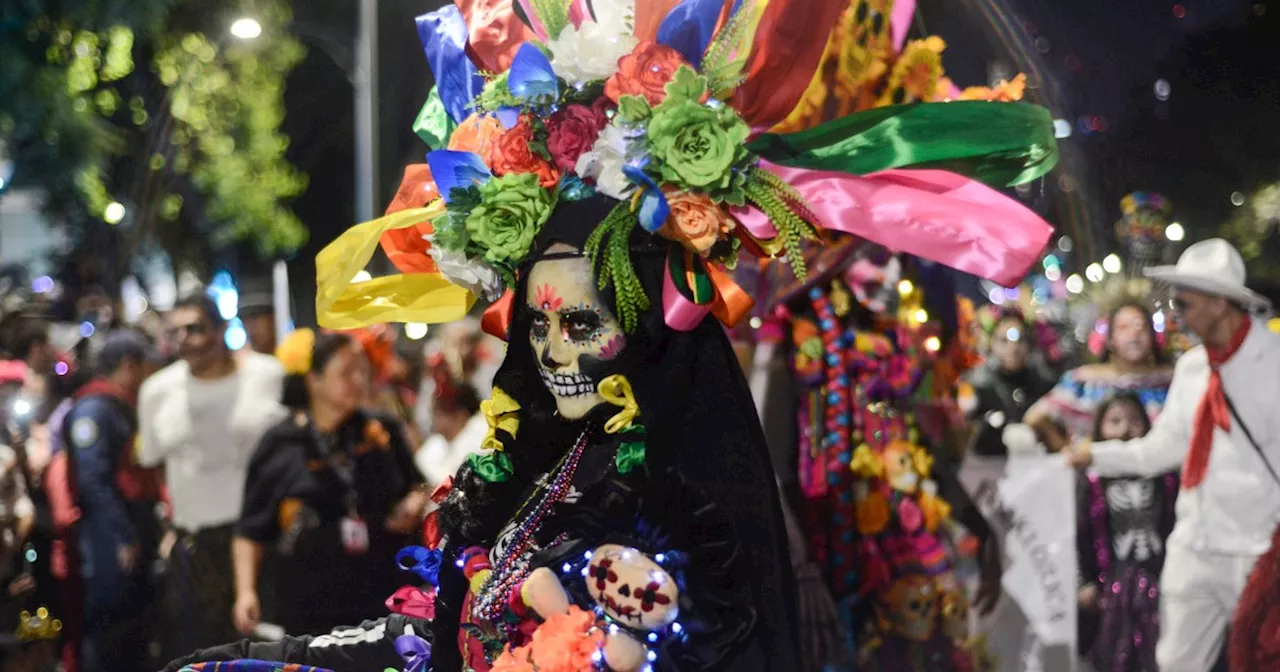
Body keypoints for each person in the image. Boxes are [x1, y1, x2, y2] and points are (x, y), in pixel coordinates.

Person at [160, 1, 1061, 669]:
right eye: (538, 325)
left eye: (581, 324)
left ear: (639, 332)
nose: (551, 352)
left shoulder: (679, 514)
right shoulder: (541, 464)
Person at [1068, 238, 1279, 672]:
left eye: (1184, 304)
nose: (1176, 315)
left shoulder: (1272, 363)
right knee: (1175, 663)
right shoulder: (1191, 368)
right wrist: (1095, 456)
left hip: (1254, 552)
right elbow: (1163, 449)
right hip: (1192, 545)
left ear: (1220, 304)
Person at [231, 329, 427, 638]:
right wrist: (246, 592)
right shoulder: (282, 442)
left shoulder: (380, 429)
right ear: (314, 379)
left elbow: (417, 485)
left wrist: (413, 504)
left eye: (362, 372)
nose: (358, 381)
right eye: (346, 372)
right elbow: (251, 528)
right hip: (309, 603)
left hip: (382, 591)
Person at [137, 293, 286, 655]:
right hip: (195, 548)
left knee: (268, 652)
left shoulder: (266, 374)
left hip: (261, 541)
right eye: (175, 332)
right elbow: (152, 462)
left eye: (195, 328)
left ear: (221, 330)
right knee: (205, 653)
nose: (184, 339)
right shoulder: (156, 391)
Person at [58, 330, 164, 672]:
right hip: (108, 533)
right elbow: (94, 481)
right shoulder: (95, 410)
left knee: (133, 621)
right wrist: (121, 536)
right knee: (109, 624)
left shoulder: (121, 406)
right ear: (128, 365)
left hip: (132, 524)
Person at [1076, 391, 1177, 672]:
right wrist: (1084, 582)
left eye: (1134, 420)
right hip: (1112, 586)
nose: (1124, 429)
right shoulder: (1091, 481)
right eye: (1114, 421)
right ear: (1099, 428)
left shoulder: (1166, 477)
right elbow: (1080, 534)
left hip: (1160, 580)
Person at [1027, 301, 1174, 441]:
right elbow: (1034, 417)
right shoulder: (1083, 381)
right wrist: (1066, 449)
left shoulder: (1170, 381)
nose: (1134, 334)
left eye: (1141, 327)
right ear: (1110, 339)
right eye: (1124, 327)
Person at [963, 309, 1057, 455]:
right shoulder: (978, 387)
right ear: (990, 342)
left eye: (1020, 340)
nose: (1013, 348)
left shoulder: (1045, 385)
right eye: (1003, 340)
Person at [415, 374, 484, 489]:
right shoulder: (438, 442)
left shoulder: (480, 431)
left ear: (460, 414)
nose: (433, 418)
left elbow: (456, 487)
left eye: (438, 412)